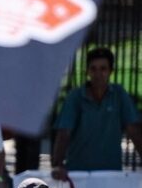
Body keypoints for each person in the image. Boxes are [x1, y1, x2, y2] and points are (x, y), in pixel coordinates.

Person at [52, 46, 142, 177]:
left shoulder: (119, 95)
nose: (98, 74)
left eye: (103, 69)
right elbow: (64, 133)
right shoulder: (75, 97)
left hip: (110, 174)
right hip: (79, 175)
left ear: (111, 71)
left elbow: (133, 130)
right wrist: (57, 165)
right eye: (93, 69)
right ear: (87, 71)